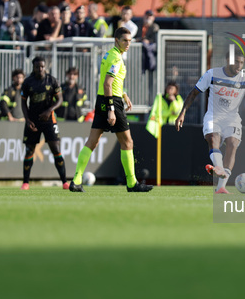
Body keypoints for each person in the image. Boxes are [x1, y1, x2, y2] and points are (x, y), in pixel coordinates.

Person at [175, 51, 245, 194]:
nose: (239, 66)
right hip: (214, 117)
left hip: (232, 119)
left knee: (232, 144)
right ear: (228, 60)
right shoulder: (212, 74)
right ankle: (219, 168)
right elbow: (194, 93)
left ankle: (221, 186)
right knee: (213, 139)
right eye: (237, 62)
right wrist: (182, 112)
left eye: (241, 63)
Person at [69, 27, 152, 193]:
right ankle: (132, 183)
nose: (127, 43)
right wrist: (112, 109)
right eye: (124, 40)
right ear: (116, 40)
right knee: (127, 142)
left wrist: (124, 94)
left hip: (102, 99)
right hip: (111, 101)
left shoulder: (109, 54)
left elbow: (112, 82)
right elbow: (108, 83)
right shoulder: (116, 58)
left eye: (129, 41)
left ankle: (76, 180)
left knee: (92, 142)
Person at [20, 57, 68, 191]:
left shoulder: (52, 81)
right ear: (33, 67)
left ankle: (64, 182)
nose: (40, 69)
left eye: (42, 67)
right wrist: (27, 119)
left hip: (49, 119)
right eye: (37, 67)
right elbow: (23, 102)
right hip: (33, 120)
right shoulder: (28, 82)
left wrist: (49, 110)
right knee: (29, 150)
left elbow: (60, 100)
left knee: (56, 149)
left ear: (45, 67)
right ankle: (25, 183)